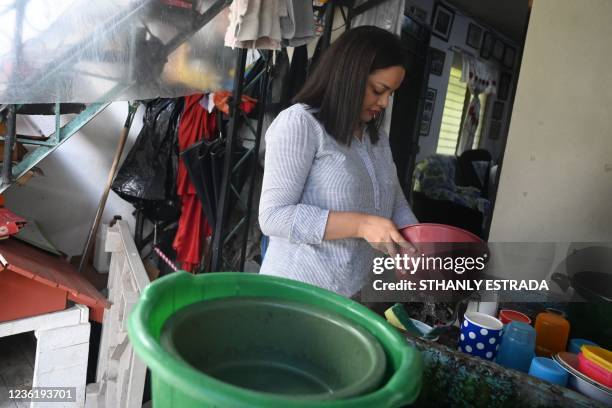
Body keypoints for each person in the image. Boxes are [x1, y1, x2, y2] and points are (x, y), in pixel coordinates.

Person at [258, 26, 418, 297]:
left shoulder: (376, 139)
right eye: (379, 90)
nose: (384, 102)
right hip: (293, 295)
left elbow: (394, 202)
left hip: (349, 297)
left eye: (391, 93)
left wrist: (420, 243)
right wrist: (362, 225)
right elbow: (274, 216)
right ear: (350, 76)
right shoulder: (301, 124)